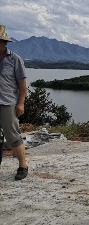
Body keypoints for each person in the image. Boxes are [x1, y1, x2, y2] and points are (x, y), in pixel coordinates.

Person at [0, 25, 28, 180]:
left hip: (7, 103)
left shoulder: (15, 59)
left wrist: (21, 103)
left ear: (4, 43)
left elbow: (22, 85)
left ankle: (23, 165)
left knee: (13, 136)